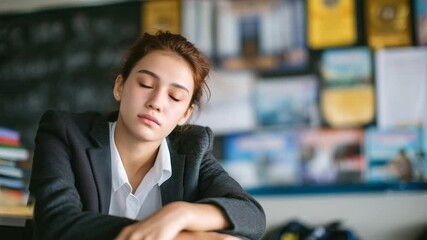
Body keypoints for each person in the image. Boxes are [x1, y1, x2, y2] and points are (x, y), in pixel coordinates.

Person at [28, 30, 266, 240]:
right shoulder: (65, 132)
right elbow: (56, 225)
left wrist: (179, 215)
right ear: (120, 86)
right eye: (145, 84)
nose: (156, 103)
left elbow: (251, 215)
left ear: (185, 114)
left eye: (174, 97)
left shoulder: (192, 148)